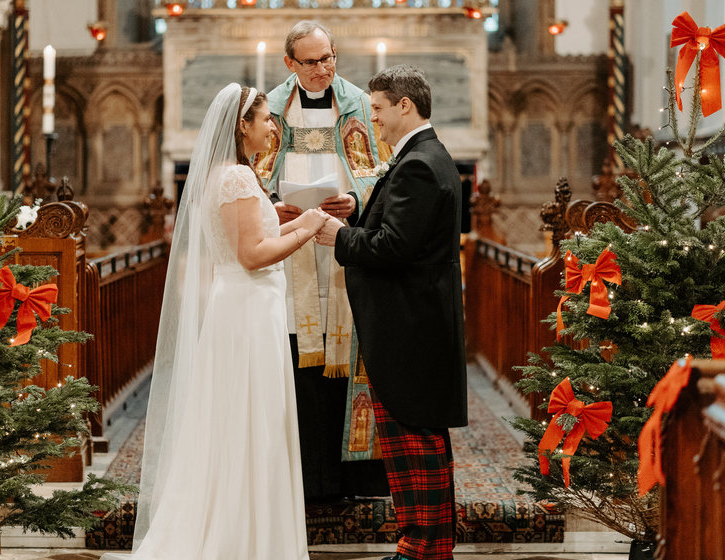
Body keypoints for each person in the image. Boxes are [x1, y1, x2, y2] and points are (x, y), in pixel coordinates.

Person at [112, 83, 328, 560]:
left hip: (243, 308)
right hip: (248, 311)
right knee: (253, 425)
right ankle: (246, 541)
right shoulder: (238, 179)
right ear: (241, 125)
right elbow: (253, 255)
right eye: (266, 118)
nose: (273, 127)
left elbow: (247, 238)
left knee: (237, 422)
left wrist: (295, 219)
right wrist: (310, 230)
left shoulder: (224, 175)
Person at [315, 65, 468, 560]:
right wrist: (355, 218)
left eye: (378, 109)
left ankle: (423, 550)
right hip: (416, 320)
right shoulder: (425, 156)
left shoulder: (419, 164)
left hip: (410, 326)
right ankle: (421, 547)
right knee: (414, 441)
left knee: (415, 440)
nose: (373, 119)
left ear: (405, 105)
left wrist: (336, 235)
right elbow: (399, 232)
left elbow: (394, 248)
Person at [254, 19, 389, 501]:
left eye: (329, 57)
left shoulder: (357, 103)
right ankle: (300, 480)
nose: (322, 69)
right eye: (311, 62)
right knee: (294, 355)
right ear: (289, 63)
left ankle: (350, 477)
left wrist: (355, 200)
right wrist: (272, 205)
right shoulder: (268, 108)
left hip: (343, 244)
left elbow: (377, 170)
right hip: (286, 248)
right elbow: (251, 174)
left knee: (348, 350)